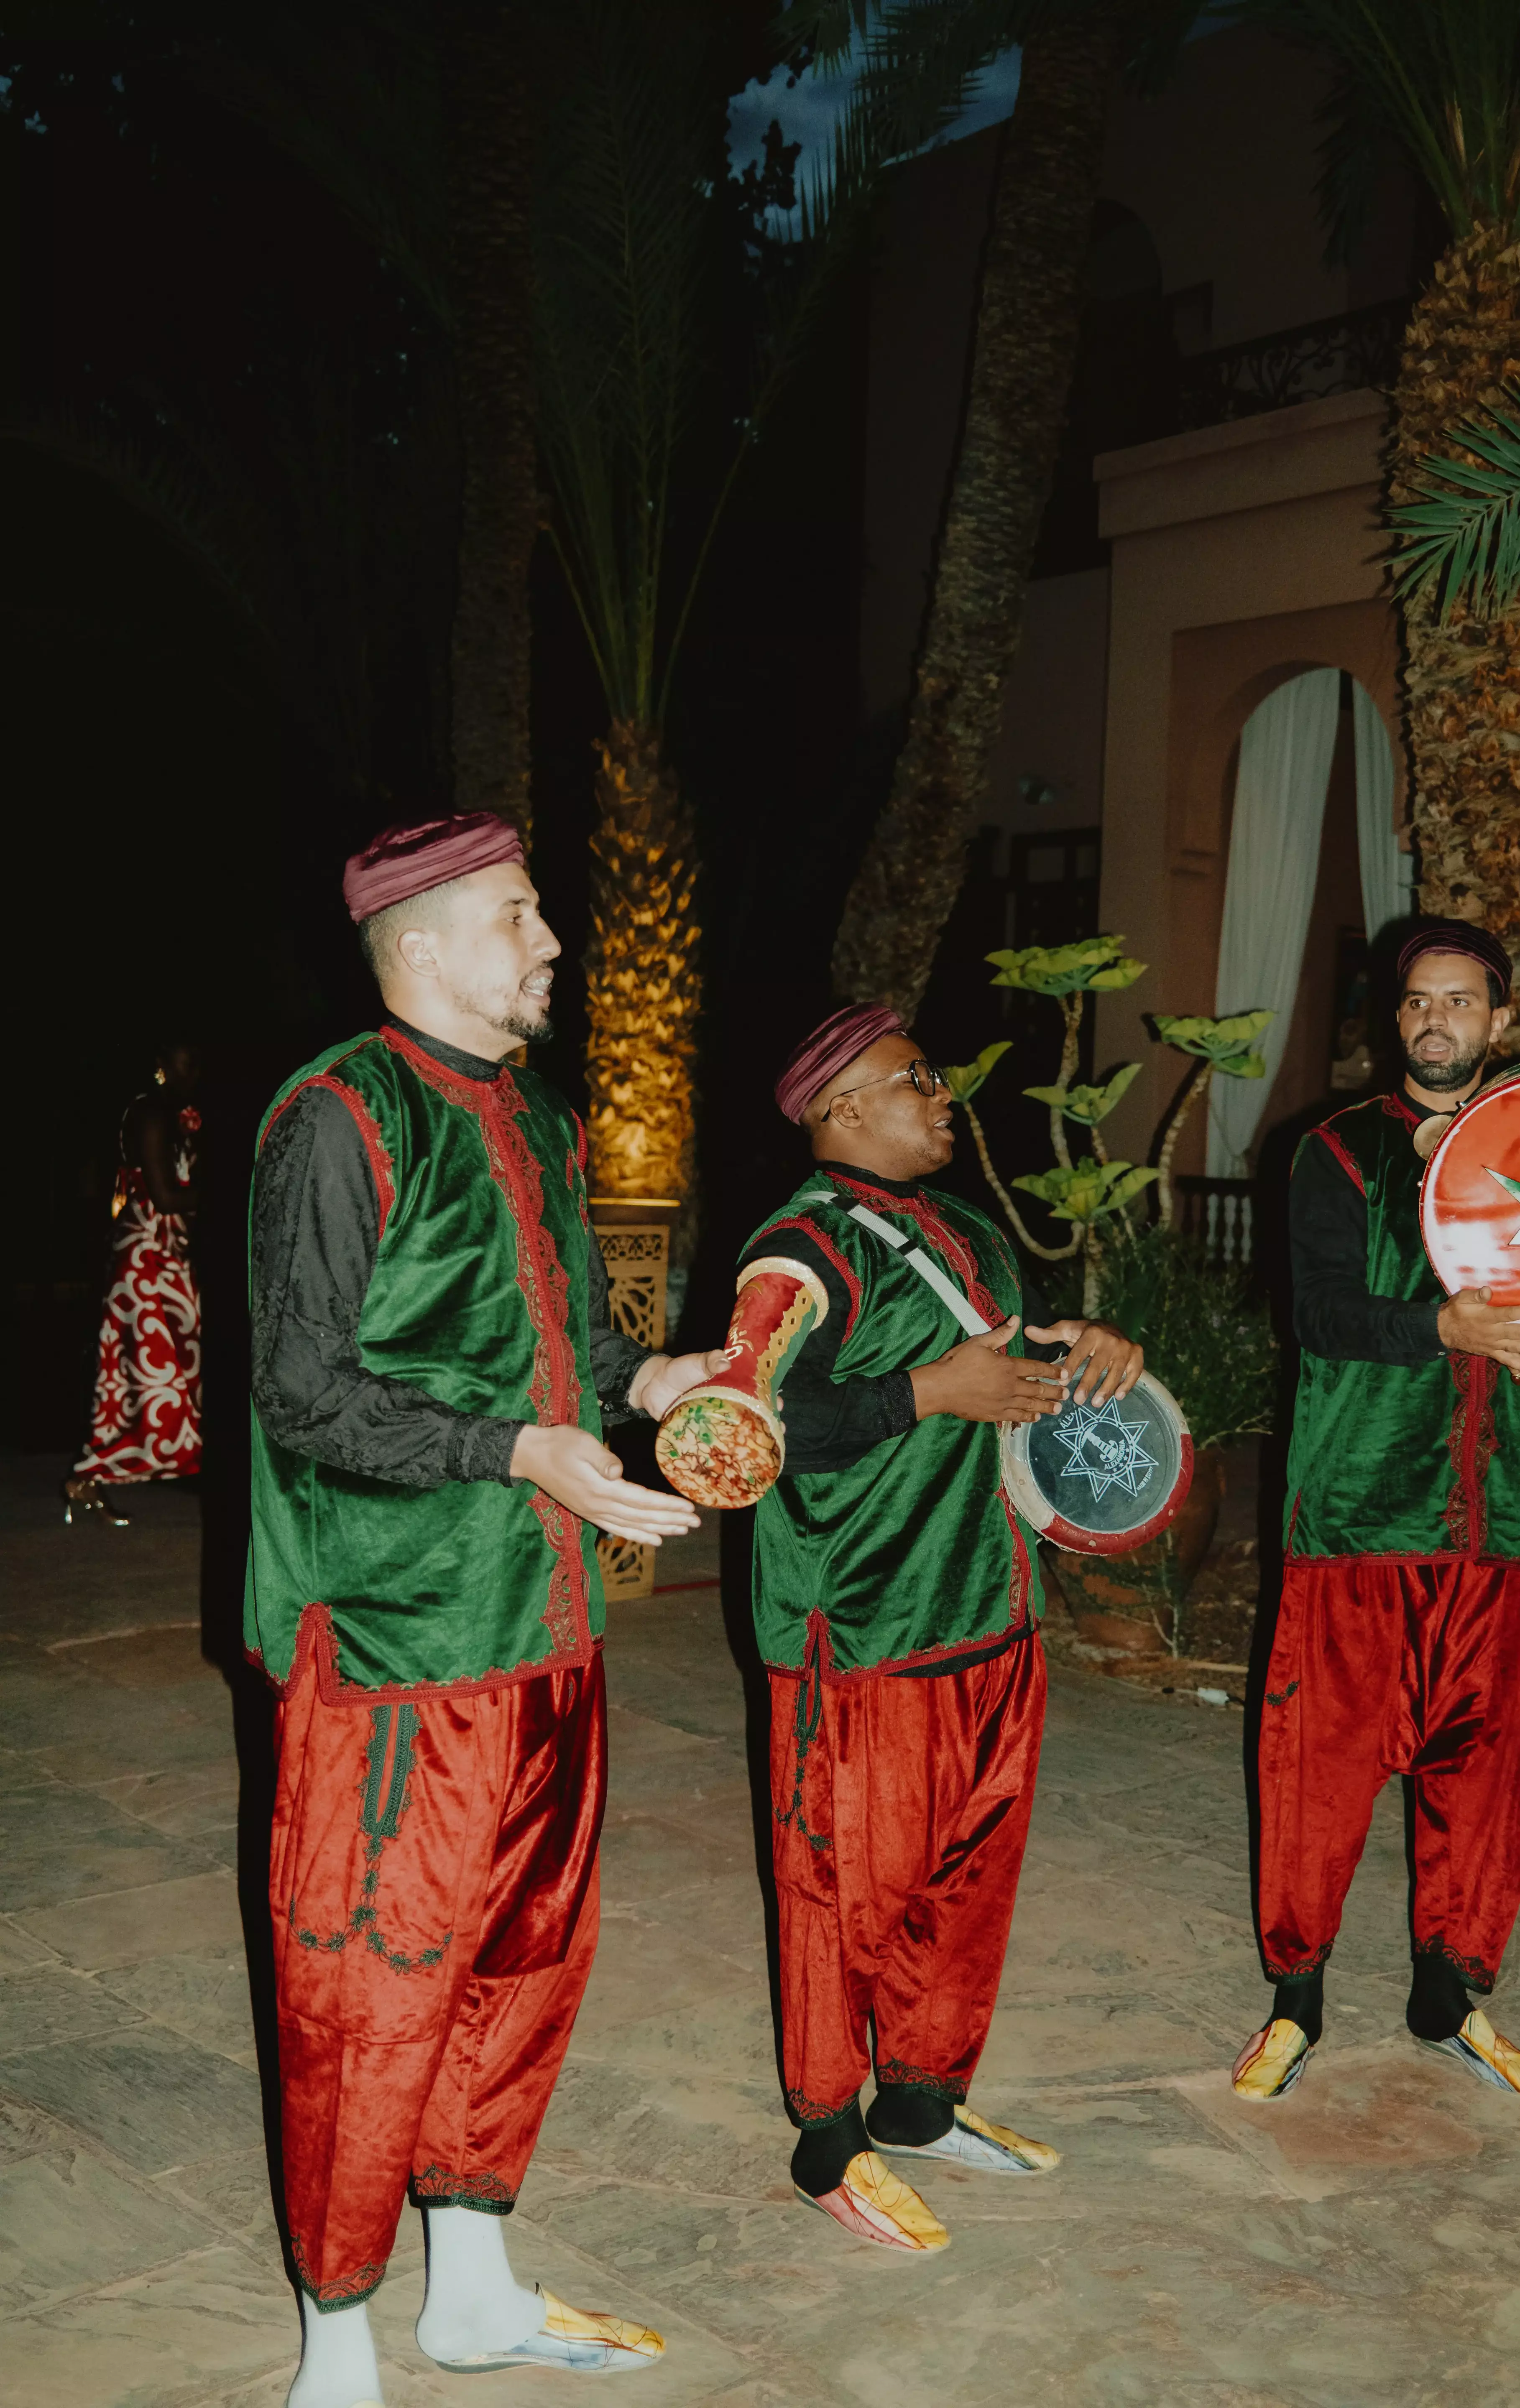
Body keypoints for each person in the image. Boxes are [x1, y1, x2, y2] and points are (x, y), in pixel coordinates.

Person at [248, 811, 729, 2407]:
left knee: (524, 1962)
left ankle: (472, 2286)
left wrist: (657, 1379)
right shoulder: (335, 1115)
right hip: (398, 1637)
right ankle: (336, 2339)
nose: (552, 941)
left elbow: (571, 1337)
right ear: (429, 944)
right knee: (365, 1982)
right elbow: (304, 1393)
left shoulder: (538, 1112)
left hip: (545, 1623)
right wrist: (518, 1447)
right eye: (521, 916)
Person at [741, 1003, 1143, 2252]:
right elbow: (750, 1417)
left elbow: (999, 1360)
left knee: (960, 1883)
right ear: (839, 1110)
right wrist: (926, 1393)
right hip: (861, 1629)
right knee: (840, 1892)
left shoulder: (964, 1229)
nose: (943, 1095)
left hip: (985, 1605)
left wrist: (1087, 1347)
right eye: (914, 1079)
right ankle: (826, 2139)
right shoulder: (798, 1249)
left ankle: (919, 2102)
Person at [1233, 925, 1520, 2105]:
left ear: (1501, 1020)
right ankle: (1295, 2003)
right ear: (1397, 1020)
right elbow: (1320, 1313)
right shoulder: (1333, 1150)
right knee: (1318, 1774)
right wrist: (1445, 1327)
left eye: (1462, 1003)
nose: (1437, 1022)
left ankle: (1448, 1997)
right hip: (1360, 1516)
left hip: (1500, 1525)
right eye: (1419, 1003)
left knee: (1486, 1782)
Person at [65, 1041, 203, 1523]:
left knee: (173, 1373)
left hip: (167, 1255)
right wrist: (231, 1188)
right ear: (162, 1066)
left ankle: (169, 1465)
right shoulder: (150, 1114)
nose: (194, 1069)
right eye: (186, 1060)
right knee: (146, 1374)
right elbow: (165, 1197)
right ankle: (90, 1474)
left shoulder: (175, 1112)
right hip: (148, 1257)